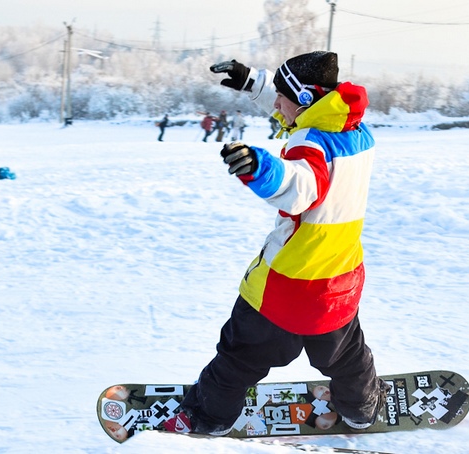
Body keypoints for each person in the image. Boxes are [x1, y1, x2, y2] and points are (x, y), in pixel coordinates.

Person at [164, 51, 385, 436]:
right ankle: (362, 408)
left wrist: (261, 168)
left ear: (303, 100)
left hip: (286, 286)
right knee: (348, 358)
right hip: (338, 280)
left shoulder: (311, 146)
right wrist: (254, 82)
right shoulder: (355, 132)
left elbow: (300, 187)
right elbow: (300, 108)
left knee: (239, 356)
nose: (276, 106)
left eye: (282, 96)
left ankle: (209, 416)